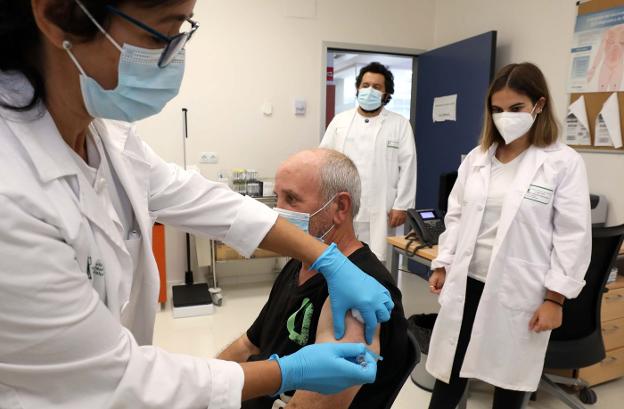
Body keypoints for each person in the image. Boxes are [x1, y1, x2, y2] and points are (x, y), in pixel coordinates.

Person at [0, 1, 395, 408]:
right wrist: (288, 371)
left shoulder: (109, 136)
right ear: (56, 14)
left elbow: (209, 203)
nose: (172, 59)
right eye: (159, 35)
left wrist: (328, 259)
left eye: (181, 34)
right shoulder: (12, 191)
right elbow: (120, 378)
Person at [425, 62, 592, 409]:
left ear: (539, 105)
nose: (506, 116)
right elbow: (455, 215)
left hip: (521, 291)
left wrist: (555, 299)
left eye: (516, 108)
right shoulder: (477, 158)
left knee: (509, 385)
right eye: (497, 109)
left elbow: (572, 235)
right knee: (448, 380)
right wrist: (443, 263)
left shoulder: (562, 162)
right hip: (468, 282)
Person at [217, 149, 409, 409]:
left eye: (291, 199)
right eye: (277, 198)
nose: (276, 213)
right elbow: (248, 343)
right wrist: (209, 388)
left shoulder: (363, 292)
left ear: (340, 207)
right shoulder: (298, 265)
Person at [320, 62, 417, 262]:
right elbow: (323, 160)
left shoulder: (399, 124)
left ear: (386, 93)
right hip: (342, 205)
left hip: (382, 208)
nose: (369, 90)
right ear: (358, 88)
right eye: (365, 85)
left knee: (376, 263)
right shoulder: (340, 121)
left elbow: (408, 166)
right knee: (338, 260)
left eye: (377, 87)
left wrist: (403, 205)